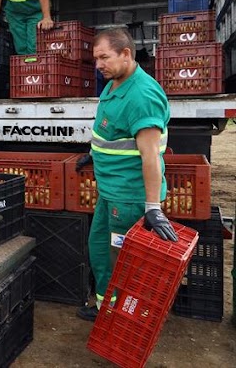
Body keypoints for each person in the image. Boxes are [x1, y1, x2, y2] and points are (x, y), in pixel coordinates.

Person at [76, 28, 178, 322]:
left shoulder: (142, 95)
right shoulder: (113, 84)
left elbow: (150, 156)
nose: (98, 65)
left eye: (104, 57)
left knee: (122, 261)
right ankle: (105, 307)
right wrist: (94, 154)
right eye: (96, 59)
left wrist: (152, 208)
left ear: (126, 54)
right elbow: (110, 131)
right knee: (99, 250)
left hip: (129, 197)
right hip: (110, 192)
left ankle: (123, 319)